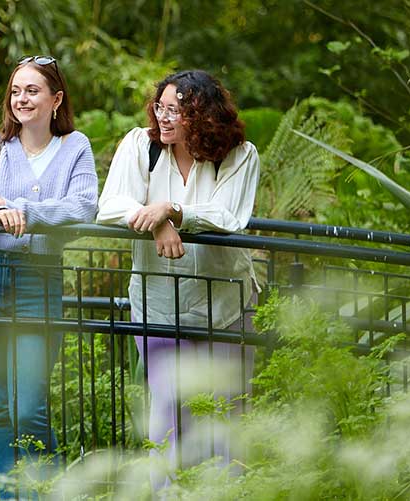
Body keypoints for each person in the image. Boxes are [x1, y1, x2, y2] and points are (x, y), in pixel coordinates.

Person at [95, 70, 260, 480]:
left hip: (225, 306)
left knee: (227, 416)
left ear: (202, 116)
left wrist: (174, 210)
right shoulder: (141, 146)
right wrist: (154, 219)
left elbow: (230, 215)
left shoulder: (239, 155)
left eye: (176, 111)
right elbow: (111, 204)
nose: (164, 118)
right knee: (167, 418)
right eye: (161, 107)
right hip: (159, 305)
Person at [0, 55, 98, 495]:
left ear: (56, 99)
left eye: (32, 91)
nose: (22, 99)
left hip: (38, 281)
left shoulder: (75, 147)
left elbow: (83, 206)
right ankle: (11, 495)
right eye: (16, 91)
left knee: (28, 405)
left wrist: (26, 212)